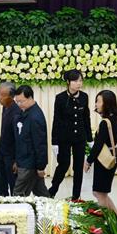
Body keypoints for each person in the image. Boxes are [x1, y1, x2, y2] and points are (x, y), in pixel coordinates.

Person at [49, 70, 92, 200]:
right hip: (64, 138)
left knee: (78, 167)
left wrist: (90, 139)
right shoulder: (60, 98)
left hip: (80, 137)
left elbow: (86, 118)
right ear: (68, 82)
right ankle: (52, 190)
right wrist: (54, 141)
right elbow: (56, 120)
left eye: (80, 80)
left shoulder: (84, 97)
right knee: (63, 164)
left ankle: (76, 196)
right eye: (76, 81)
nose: (79, 83)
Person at [84, 90, 117, 212]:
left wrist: (88, 161)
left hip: (104, 161)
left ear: (107, 103)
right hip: (110, 158)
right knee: (101, 193)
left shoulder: (105, 123)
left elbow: (98, 145)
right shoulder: (114, 119)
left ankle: (107, 222)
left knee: (99, 194)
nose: (96, 104)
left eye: (99, 101)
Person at [12, 85, 49, 197]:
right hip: (24, 160)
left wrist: (41, 166)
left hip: (29, 163)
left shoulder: (35, 117)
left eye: (21, 102)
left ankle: (16, 214)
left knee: (18, 195)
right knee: (41, 193)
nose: (19, 105)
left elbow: (40, 144)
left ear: (30, 98)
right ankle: (51, 210)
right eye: (17, 102)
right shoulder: (26, 112)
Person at [0, 81, 21, 197]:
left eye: (3, 95)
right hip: (2, 151)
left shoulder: (16, 112)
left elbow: (19, 138)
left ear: (12, 96)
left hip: (11, 154)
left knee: (13, 183)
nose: (0, 98)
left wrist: (16, 160)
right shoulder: (5, 107)